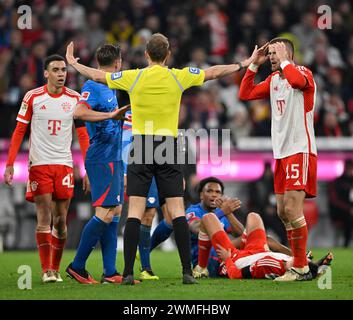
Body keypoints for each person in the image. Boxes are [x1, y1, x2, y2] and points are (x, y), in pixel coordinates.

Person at [65, 32, 256, 285]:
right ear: (168, 55)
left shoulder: (133, 77)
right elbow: (214, 72)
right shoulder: (178, 76)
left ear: (146, 55)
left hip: (142, 145)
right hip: (167, 145)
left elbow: (98, 75)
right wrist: (245, 63)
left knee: (134, 211)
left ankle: (129, 272)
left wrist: (74, 63)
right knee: (176, 211)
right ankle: (187, 272)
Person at [4, 55, 90, 283]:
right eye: (56, 70)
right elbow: (19, 131)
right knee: (44, 218)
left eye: (64, 70)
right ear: (46, 73)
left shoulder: (75, 99)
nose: (61, 74)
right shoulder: (32, 97)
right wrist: (10, 163)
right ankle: (46, 271)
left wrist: (88, 167)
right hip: (39, 164)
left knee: (61, 221)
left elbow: (82, 134)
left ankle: (55, 267)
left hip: (64, 164)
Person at [239, 38, 318, 281]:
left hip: (299, 149)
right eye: (270, 53)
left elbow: (295, 80)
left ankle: (301, 268)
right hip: (281, 154)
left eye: (275, 52)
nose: (271, 56)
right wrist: (254, 65)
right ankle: (300, 262)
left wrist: (285, 60)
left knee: (293, 209)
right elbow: (246, 93)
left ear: (288, 53)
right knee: (283, 211)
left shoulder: (303, 72)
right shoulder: (273, 80)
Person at [65, 44, 130, 284]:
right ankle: (77, 266)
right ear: (118, 63)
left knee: (115, 212)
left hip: (114, 156)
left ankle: (110, 272)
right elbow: (79, 113)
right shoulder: (92, 86)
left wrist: (73, 62)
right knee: (104, 213)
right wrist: (109, 116)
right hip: (101, 157)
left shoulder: (110, 84)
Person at [201, 209, 332, 280]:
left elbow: (236, 275)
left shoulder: (270, 265)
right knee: (254, 216)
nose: (298, 262)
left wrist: (227, 259)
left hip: (236, 258)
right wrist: (318, 265)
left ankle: (200, 268)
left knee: (208, 217)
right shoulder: (295, 264)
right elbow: (306, 266)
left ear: (293, 271)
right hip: (260, 251)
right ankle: (243, 238)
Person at [328, 159, 353, 247]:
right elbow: (334, 201)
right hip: (340, 212)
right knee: (349, 218)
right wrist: (349, 209)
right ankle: (346, 245)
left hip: (349, 211)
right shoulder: (337, 182)